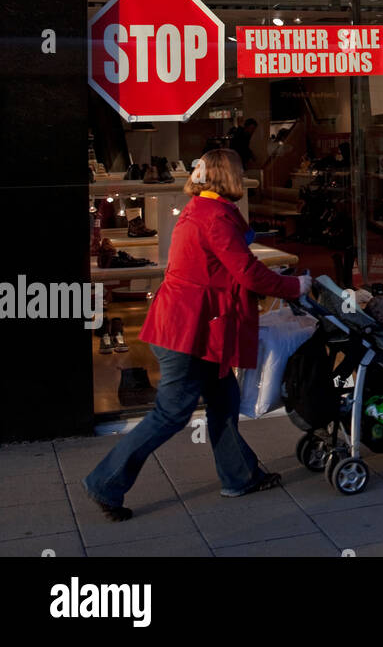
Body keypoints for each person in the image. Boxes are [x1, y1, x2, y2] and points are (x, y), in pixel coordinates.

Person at [83, 148, 310, 521]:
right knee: (171, 413)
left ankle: (239, 476)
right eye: (239, 169)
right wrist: (295, 287)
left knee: (223, 397)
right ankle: (105, 482)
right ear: (228, 175)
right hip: (188, 331)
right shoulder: (216, 218)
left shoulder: (201, 209)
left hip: (192, 326)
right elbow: (248, 272)